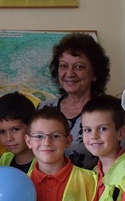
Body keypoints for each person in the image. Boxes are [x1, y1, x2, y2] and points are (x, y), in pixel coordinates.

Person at [38, 33, 112, 169]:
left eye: (79, 67)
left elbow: (116, 160)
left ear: (94, 74)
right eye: (63, 66)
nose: (70, 73)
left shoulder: (107, 112)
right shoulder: (43, 109)